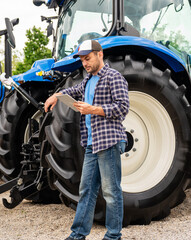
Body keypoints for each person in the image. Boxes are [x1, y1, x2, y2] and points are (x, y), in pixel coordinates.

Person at [44, 39, 129, 240]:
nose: (85, 63)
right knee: (86, 190)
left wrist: (94, 110)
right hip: (92, 143)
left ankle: (113, 235)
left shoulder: (114, 77)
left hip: (108, 142)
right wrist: (57, 95)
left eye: (88, 58)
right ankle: (78, 234)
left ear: (100, 55)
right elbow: (73, 91)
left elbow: (122, 108)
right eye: (82, 60)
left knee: (110, 192)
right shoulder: (89, 80)